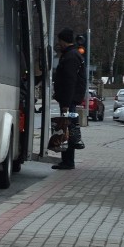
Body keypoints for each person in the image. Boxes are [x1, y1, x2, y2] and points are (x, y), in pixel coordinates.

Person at [51, 27, 85, 170]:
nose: (58, 43)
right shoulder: (73, 54)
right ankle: (67, 160)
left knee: (67, 129)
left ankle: (68, 161)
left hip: (68, 101)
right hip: (69, 100)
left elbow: (69, 82)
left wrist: (65, 103)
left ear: (64, 41)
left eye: (59, 40)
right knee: (67, 128)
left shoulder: (70, 56)